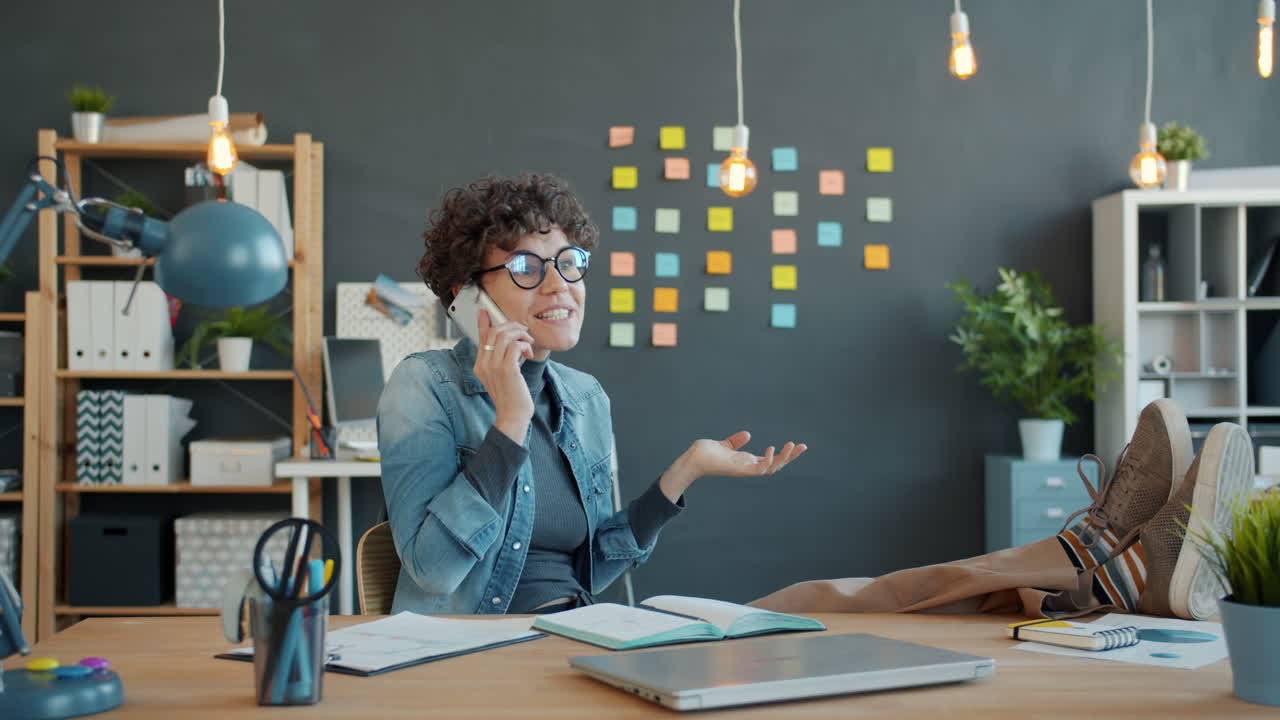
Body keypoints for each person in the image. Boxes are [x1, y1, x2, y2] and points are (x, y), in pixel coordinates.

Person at [377, 174, 807, 615]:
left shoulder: (585, 398)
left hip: (571, 638)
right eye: (526, 268)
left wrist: (686, 471)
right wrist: (509, 424)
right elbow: (433, 572)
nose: (558, 284)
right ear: (468, 295)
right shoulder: (424, 387)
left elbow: (593, 571)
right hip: (471, 656)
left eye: (568, 262)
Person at [749, 398, 1254, 621]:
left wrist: (678, 480)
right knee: (840, 604)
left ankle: (1101, 566)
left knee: (841, 601)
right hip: (694, 636)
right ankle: (1110, 571)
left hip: (689, 624)